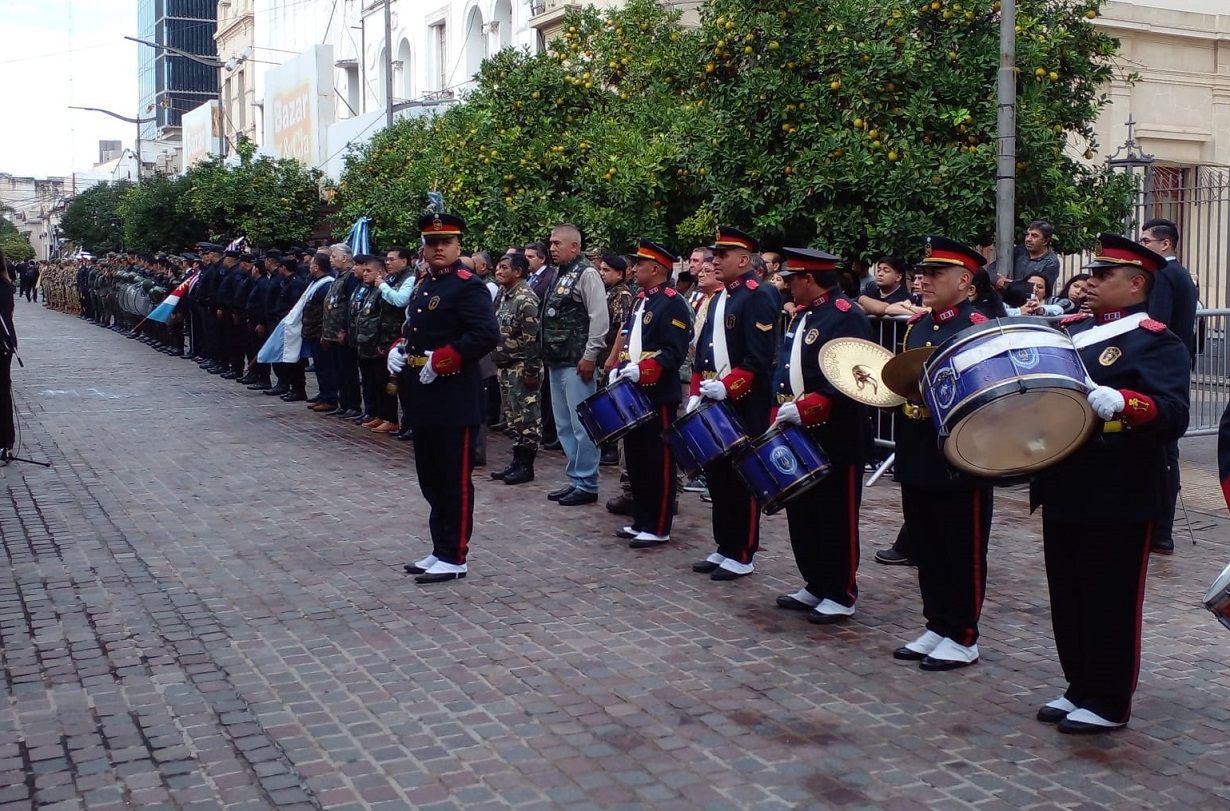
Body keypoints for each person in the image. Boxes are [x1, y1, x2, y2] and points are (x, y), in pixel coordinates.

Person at [1031, 233, 1189, 733]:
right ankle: (1078, 683)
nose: (1089, 281)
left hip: (1120, 489)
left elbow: (1173, 413)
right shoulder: (1071, 330)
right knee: (1069, 593)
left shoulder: (1156, 340)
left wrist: (1126, 403)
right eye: (1091, 273)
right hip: (1065, 480)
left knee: (1110, 598)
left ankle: (1108, 699)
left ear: (1136, 283)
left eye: (1104, 275)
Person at [892, 236, 994, 671]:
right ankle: (936, 623)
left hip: (960, 454)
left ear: (965, 281)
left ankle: (963, 633)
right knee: (927, 543)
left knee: (961, 546)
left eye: (935, 273)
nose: (924, 280)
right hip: (918, 447)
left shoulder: (977, 324)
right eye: (923, 272)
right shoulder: (920, 325)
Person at [388, 213, 499, 584]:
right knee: (431, 479)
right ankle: (440, 548)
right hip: (423, 394)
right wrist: (400, 348)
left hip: (454, 396)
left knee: (454, 480)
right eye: (432, 242)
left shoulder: (469, 286)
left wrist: (444, 358)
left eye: (446, 242)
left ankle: (455, 556)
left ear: (458, 246)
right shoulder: (424, 284)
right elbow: (415, 330)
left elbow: (485, 335)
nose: (438, 248)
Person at [770, 248, 873, 622]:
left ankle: (840, 591)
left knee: (835, 515)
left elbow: (853, 383)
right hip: (799, 431)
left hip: (836, 434)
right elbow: (787, 368)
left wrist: (807, 407)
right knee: (804, 512)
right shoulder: (804, 315)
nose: (786, 284)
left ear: (809, 280)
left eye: (792, 278)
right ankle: (814, 581)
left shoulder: (846, 317)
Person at [688, 226, 778, 580]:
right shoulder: (720, 296)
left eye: (722, 256)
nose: (715, 261)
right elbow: (704, 351)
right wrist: (697, 390)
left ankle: (742, 552)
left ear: (743, 260)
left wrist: (729, 387)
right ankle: (724, 545)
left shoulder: (758, 295)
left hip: (743, 401)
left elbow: (759, 358)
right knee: (718, 475)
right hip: (715, 396)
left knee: (741, 478)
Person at [607, 239, 692, 547]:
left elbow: (674, 352)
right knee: (638, 460)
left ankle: (658, 525)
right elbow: (631, 340)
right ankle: (641, 519)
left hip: (658, 394)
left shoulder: (671, 302)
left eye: (640, 264)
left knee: (659, 462)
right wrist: (620, 366)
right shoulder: (643, 299)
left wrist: (643, 370)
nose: (634, 268)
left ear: (656, 269)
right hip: (634, 392)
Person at [1139, 218, 1198, 555]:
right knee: (1165, 451)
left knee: (1162, 451)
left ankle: (1160, 530)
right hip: (1172, 368)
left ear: (1165, 244)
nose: (1142, 245)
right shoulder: (1180, 274)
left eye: (1147, 240)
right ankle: (1160, 529)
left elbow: (1154, 324)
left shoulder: (1163, 274)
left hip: (1159, 371)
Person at [541, 224, 610, 506]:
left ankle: (587, 482)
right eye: (551, 243)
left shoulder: (587, 273)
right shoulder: (561, 274)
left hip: (577, 361)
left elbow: (599, 318)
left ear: (575, 247)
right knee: (565, 425)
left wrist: (591, 355)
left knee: (582, 425)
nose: (552, 247)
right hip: (558, 360)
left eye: (558, 243)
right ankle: (576, 479)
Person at [490, 252, 542, 485]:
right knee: (513, 419)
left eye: (503, 268)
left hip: (521, 367)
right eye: (497, 267)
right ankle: (516, 462)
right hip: (504, 366)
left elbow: (533, 339)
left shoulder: (525, 298)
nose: (498, 271)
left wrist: (531, 371)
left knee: (527, 419)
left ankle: (526, 467)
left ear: (518, 272)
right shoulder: (504, 295)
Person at [320, 244, 363, 418]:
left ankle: (353, 405)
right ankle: (344, 403)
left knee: (348, 371)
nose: (330, 260)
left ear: (345, 258)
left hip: (343, 333)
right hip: (333, 333)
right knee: (339, 371)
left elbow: (351, 306)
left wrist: (344, 329)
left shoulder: (350, 278)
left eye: (333, 256)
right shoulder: (339, 276)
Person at [302, 252, 338, 412]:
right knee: (319, 365)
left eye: (311, 264)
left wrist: (325, 332)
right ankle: (323, 394)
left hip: (320, 331)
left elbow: (326, 312)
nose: (309, 266)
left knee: (325, 367)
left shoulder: (326, 284)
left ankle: (329, 398)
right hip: (313, 331)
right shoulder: (315, 282)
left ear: (316, 267)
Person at [990, 220, 1061, 291]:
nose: (1028, 239)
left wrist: (1007, 284)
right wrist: (997, 279)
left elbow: (1038, 287)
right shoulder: (1019, 251)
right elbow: (992, 267)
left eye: (1034, 236)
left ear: (1045, 241)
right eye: (1027, 235)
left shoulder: (1051, 262)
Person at [0, 249, 15, 455]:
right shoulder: (6, 285)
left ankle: (6, 441)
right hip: (6, 342)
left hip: (1, 343)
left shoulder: (3, 287)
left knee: (2, 392)